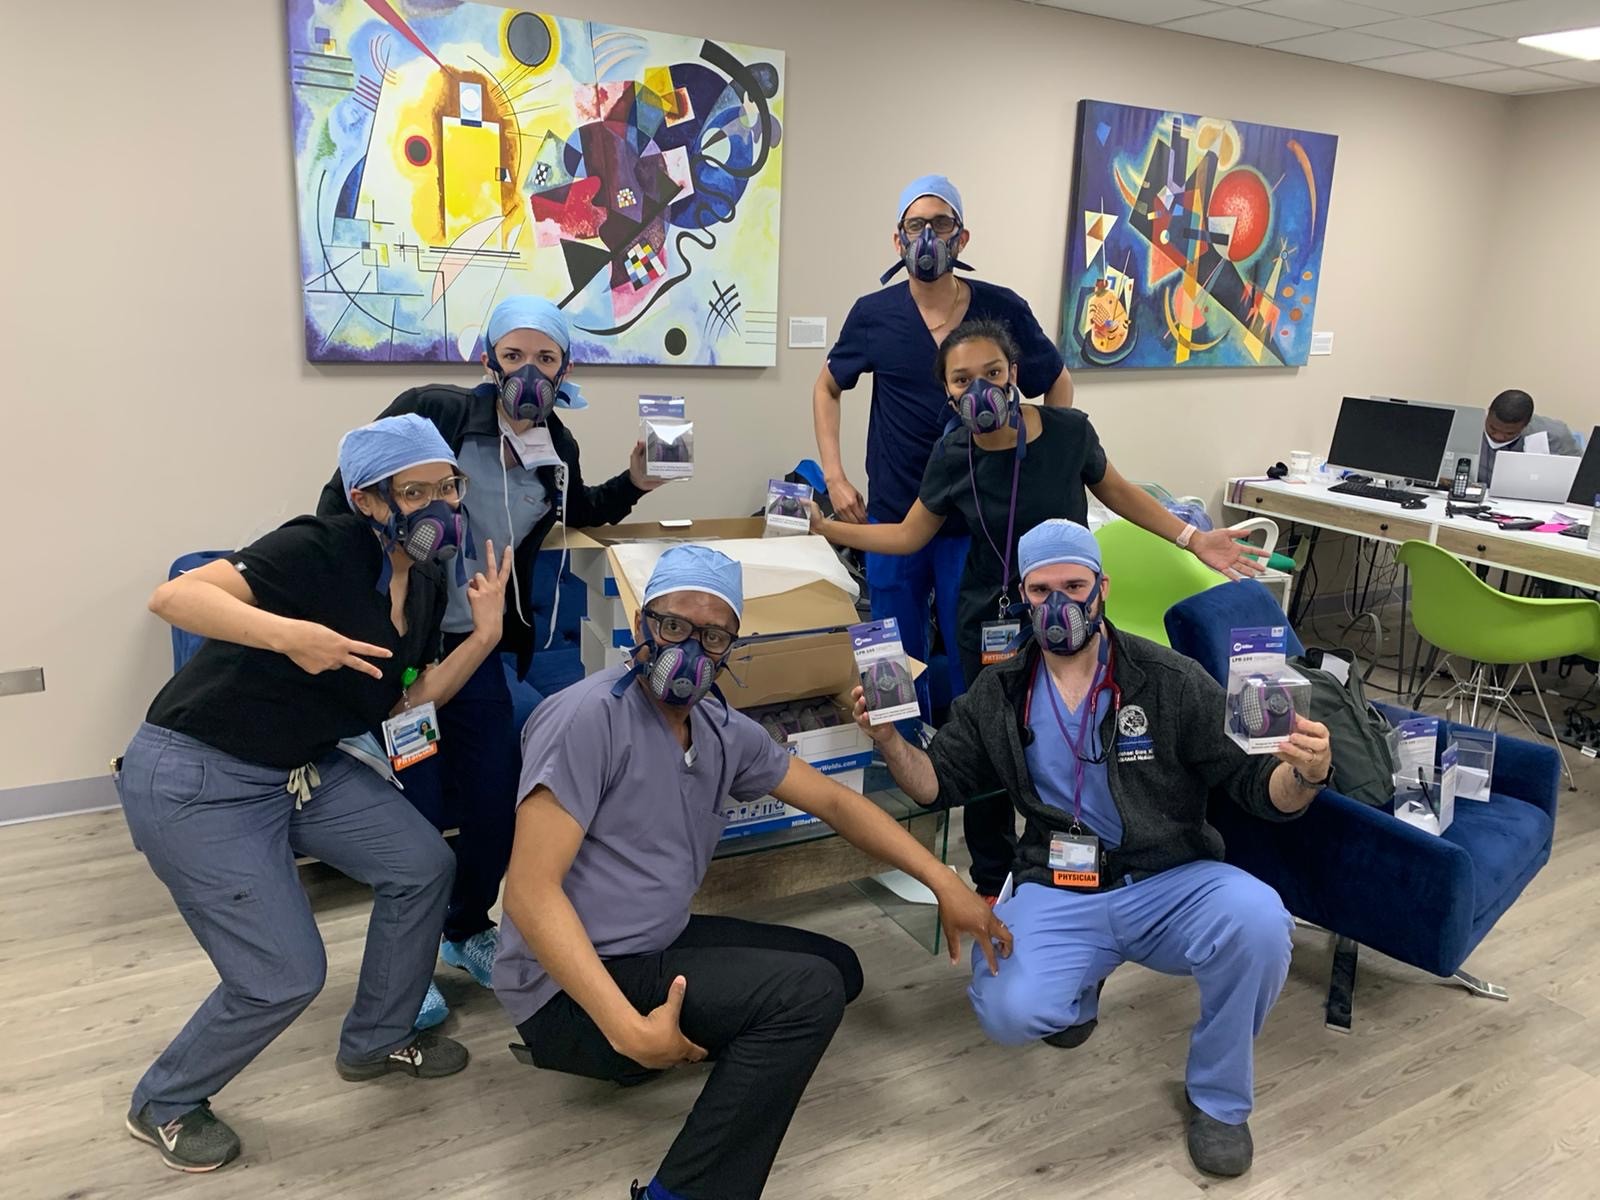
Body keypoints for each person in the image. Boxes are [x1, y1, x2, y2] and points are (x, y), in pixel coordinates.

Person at [494, 545, 1011, 1200]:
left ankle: (693, 1044)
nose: (689, 649)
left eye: (713, 635)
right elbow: (531, 895)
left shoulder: (714, 726)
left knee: (839, 969)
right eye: (674, 624)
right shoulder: (586, 718)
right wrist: (627, 1030)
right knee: (806, 995)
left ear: (731, 647)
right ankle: (680, 1191)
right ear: (641, 619)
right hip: (569, 991)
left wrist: (944, 880)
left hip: (648, 944)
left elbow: (834, 800)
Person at [855, 519, 1334, 1177]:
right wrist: (886, 741)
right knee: (1009, 1012)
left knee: (1260, 922)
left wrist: (1303, 773)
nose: (1060, 606)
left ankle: (1220, 1101)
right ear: (1022, 596)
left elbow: (1256, 786)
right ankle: (1082, 984)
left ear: (1101, 587)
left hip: (1170, 878)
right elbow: (935, 783)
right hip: (1060, 886)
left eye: (1074, 586)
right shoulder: (999, 694)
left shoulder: (1169, 679)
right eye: (1042, 590)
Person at [118, 415, 513, 1173]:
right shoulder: (319, 546)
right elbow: (174, 598)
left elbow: (408, 703)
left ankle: (377, 1039)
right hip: (197, 776)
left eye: (447, 487)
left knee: (423, 864)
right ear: (368, 500)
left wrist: (485, 635)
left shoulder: (426, 583)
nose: (440, 506)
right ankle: (164, 1102)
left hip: (299, 771)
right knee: (283, 975)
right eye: (416, 490)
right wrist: (287, 636)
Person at [812, 319, 1262, 898]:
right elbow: (907, 535)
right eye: (963, 379)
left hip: (1071, 606)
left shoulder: (1070, 433)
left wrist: (1191, 538)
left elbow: (1120, 492)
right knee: (991, 742)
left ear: (1015, 375)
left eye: (993, 374)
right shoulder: (953, 452)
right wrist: (828, 529)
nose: (980, 390)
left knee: (1081, 726)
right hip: (993, 617)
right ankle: (993, 881)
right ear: (947, 391)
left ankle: (1092, 846)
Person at [317, 296, 664, 1024]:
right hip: (407, 647)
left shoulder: (556, 445)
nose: (529, 372)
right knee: (412, 817)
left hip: (478, 649)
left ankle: (464, 925)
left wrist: (635, 480)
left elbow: (577, 511)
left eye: (545, 359)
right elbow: (352, 494)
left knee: (496, 802)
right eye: (514, 356)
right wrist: (357, 591)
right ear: (488, 360)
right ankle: (403, 971)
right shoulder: (434, 414)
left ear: (564, 367)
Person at [812, 174, 1074, 723]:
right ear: (897, 239)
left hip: (976, 521)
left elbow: (1056, 381)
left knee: (973, 650)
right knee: (890, 650)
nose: (927, 236)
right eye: (916, 225)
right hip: (894, 510)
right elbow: (827, 386)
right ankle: (901, 748)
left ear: (962, 237)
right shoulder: (874, 314)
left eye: (940, 224)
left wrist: (1045, 453)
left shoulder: (1001, 310)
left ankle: (970, 753)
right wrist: (834, 477)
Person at [1478, 388, 1582, 484]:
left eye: (1509, 433)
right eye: (1492, 428)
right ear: (1488, 413)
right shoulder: (1466, 425)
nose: (1498, 437)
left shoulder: (1555, 435)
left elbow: (1579, 474)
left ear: (1527, 424)